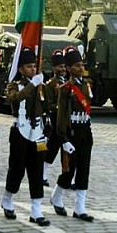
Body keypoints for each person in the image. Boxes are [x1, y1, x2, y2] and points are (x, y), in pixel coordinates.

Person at [0, 47, 50, 226]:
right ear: (20, 69)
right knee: (17, 168)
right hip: (20, 131)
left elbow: (48, 107)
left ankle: (36, 210)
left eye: (33, 66)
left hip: (38, 132)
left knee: (37, 170)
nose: (32, 70)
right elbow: (14, 98)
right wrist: (32, 85)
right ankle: (7, 199)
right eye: (28, 66)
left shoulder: (40, 85)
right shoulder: (15, 85)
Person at [50, 46, 95, 222]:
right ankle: (57, 196)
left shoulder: (86, 85)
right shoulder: (65, 89)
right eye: (77, 65)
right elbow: (61, 117)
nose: (81, 68)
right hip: (71, 131)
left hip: (85, 129)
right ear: (68, 68)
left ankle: (80, 207)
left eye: (82, 64)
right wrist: (63, 138)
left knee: (84, 169)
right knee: (69, 169)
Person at [42, 49, 67, 186]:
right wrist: (58, 109)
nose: (62, 69)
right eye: (60, 67)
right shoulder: (50, 84)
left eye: (64, 67)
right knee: (52, 147)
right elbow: (49, 103)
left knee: (68, 148)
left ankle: (68, 175)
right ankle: (43, 174)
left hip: (66, 120)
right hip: (55, 118)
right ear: (53, 68)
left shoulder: (69, 82)